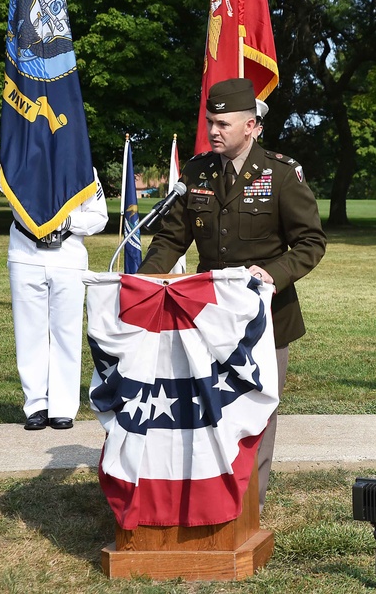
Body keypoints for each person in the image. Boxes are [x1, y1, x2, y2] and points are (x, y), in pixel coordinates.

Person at [139, 78, 326, 509]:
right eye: (210, 122)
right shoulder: (197, 172)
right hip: (207, 316)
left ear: (252, 127)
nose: (213, 131)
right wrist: (145, 283)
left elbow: (311, 242)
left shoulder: (280, 174)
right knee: (209, 407)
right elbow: (170, 241)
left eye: (223, 123)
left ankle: (248, 507)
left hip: (266, 320)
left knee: (257, 411)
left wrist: (273, 274)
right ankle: (209, 497)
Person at [8, 172, 108, 431]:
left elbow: (99, 217)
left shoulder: (83, 167)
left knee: (66, 333)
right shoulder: (21, 160)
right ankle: (36, 405)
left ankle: (63, 407)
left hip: (68, 255)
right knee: (29, 333)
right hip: (25, 252)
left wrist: (68, 219)